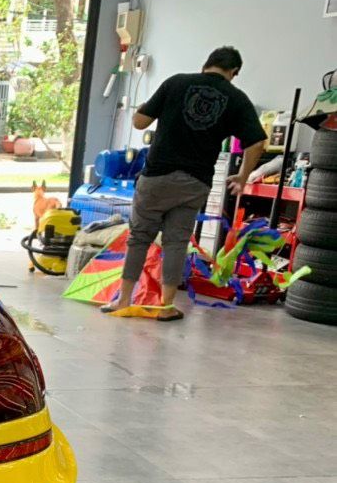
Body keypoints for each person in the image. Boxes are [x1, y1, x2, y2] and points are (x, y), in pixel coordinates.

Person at [101, 46, 267, 320]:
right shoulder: (236, 98)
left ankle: (123, 300)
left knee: (139, 238)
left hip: (157, 177)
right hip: (195, 182)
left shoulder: (176, 83)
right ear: (234, 72)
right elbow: (258, 142)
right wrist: (242, 175)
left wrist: (147, 110)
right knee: (176, 243)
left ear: (206, 64)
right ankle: (165, 306)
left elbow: (140, 122)